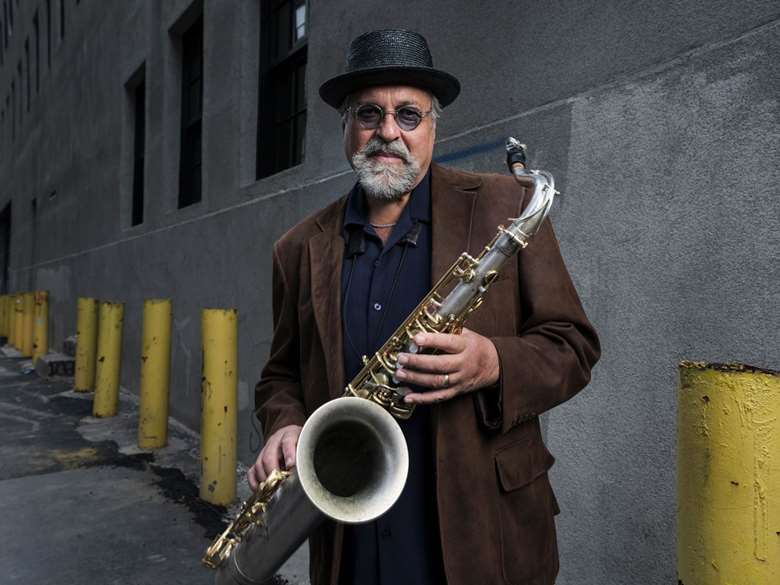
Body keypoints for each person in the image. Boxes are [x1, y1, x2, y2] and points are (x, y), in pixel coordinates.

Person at [249, 29, 600, 585]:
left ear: (433, 127)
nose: (387, 132)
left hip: (482, 528)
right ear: (346, 127)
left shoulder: (506, 208)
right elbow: (280, 377)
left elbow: (574, 346)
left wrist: (493, 362)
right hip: (353, 533)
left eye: (408, 115)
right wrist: (284, 426)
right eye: (369, 114)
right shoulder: (296, 249)